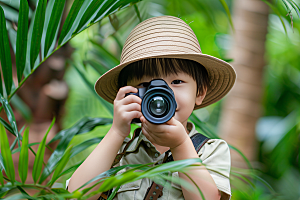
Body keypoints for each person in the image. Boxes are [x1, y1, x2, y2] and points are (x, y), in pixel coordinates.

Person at [67, 15, 236, 200]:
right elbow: (76, 196)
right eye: (146, 85)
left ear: (200, 92)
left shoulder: (210, 151)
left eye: (176, 81)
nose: (161, 94)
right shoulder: (117, 152)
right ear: (128, 94)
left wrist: (180, 144)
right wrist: (116, 132)